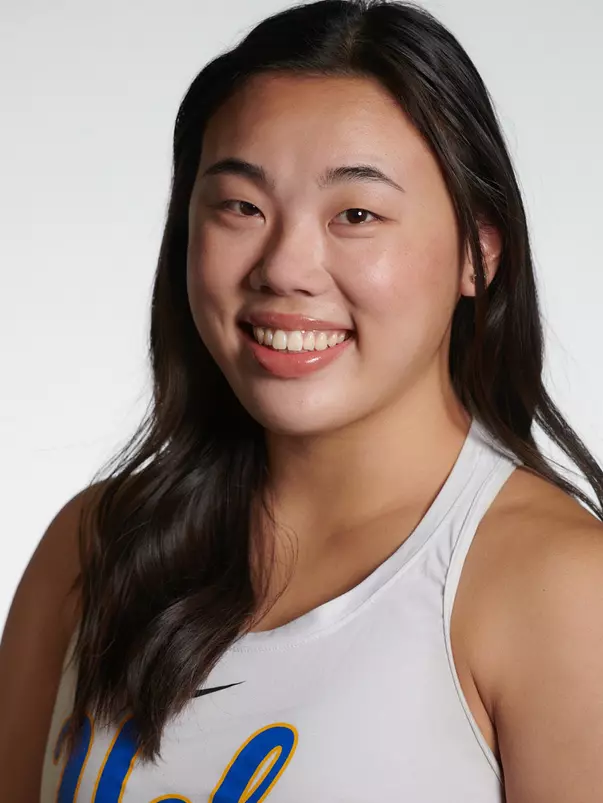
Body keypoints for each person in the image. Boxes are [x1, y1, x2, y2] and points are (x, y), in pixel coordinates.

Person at [2, 0, 603, 800]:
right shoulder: (92, 545)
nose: (284, 267)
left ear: (477, 250)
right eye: (241, 207)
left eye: (355, 214)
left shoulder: (560, 587)